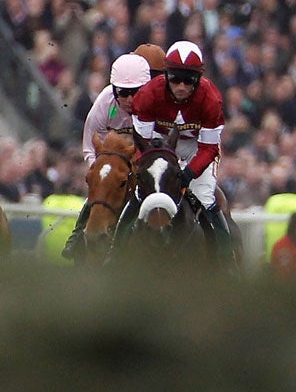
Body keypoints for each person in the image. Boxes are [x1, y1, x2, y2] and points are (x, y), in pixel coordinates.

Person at [129, 39, 233, 258]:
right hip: (159, 143)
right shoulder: (148, 94)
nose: (181, 87)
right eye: (175, 79)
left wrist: (189, 173)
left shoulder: (211, 99)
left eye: (189, 81)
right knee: (140, 193)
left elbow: (209, 148)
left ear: (198, 80)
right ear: (166, 76)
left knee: (205, 196)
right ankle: (114, 251)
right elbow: (141, 142)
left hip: (197, 147)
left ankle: (226, 260)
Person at [62, 50, 155, 258]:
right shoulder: (104, 105)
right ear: (114, 90)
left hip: (145, 158)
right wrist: (99, 174)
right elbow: (89, 145)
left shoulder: (157, 106)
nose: (129, 99)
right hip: (113, 161)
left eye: (136, 92)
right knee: (102, 188)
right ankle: (78, 235)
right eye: (123, 92)